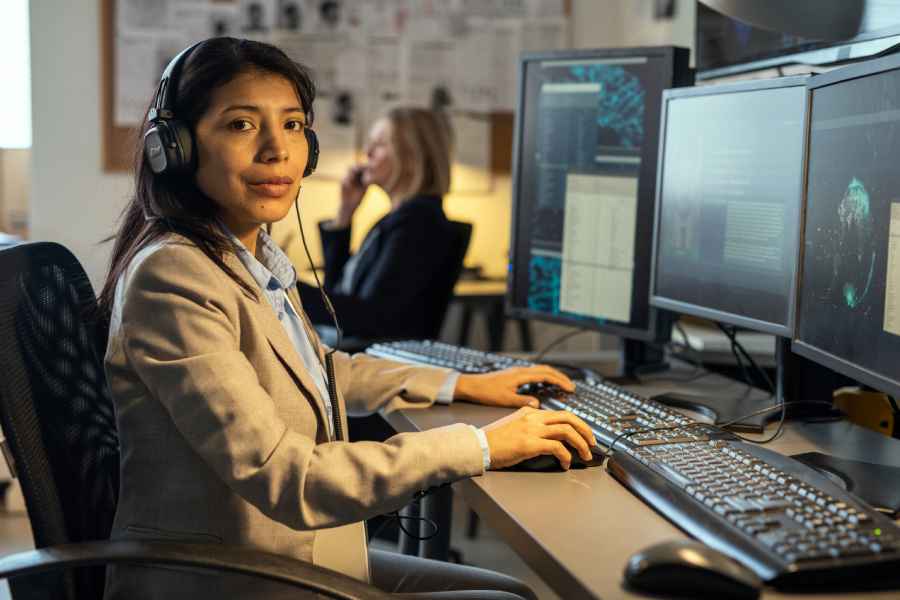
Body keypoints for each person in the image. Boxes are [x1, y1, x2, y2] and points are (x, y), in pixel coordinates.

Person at [97, 37, 595, 599]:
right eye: (240, 125)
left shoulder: (246, 257)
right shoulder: (175, 277)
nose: (276, 150)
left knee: (511, 593)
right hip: (229, 577)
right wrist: (480, 446)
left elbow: (324, 369)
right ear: (176, 147)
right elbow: (290, 477)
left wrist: (462, 384)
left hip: (287, 551)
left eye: (290, 126)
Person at [298, 106, 459, 340]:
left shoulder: (419, 224)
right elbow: (338, 292)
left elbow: (372, 319)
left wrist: (289, 289)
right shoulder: (396, 219)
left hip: (376, 359)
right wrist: (345, 214)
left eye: (381, 144)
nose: (368, 152)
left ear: (413, 157)